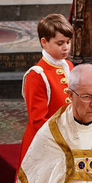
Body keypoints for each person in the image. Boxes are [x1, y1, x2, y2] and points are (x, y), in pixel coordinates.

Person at [18, 13, 74, 167]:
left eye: (68, 42)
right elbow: (37, 121)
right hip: (45, 144)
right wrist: (63, 140)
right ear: (44, 42)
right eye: (60, 43)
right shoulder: (36, 75)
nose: (66, 47)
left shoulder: (69, 66)